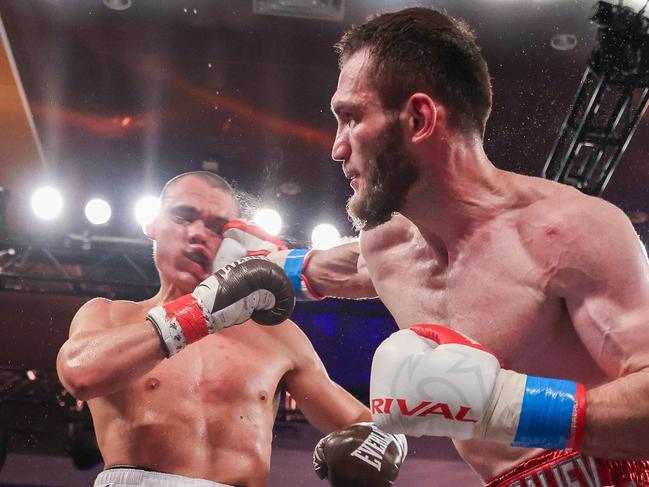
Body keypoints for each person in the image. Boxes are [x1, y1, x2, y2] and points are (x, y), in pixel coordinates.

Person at [221, 7, 649, 487]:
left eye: (351, 118)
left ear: (420, 117)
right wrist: (244, 264)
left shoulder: (570, 232)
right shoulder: (385, 249)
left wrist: (508, 407)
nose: (336, 147)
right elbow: (331, 269)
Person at [56, 171, 406, 487]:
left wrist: (388, 442)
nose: (197, 234)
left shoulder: (277, 336)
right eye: (183, 216)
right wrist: (203, 311)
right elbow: (80, 373)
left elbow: (366, 427)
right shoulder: (111, 315)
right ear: (152, 223)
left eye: (216, 226)